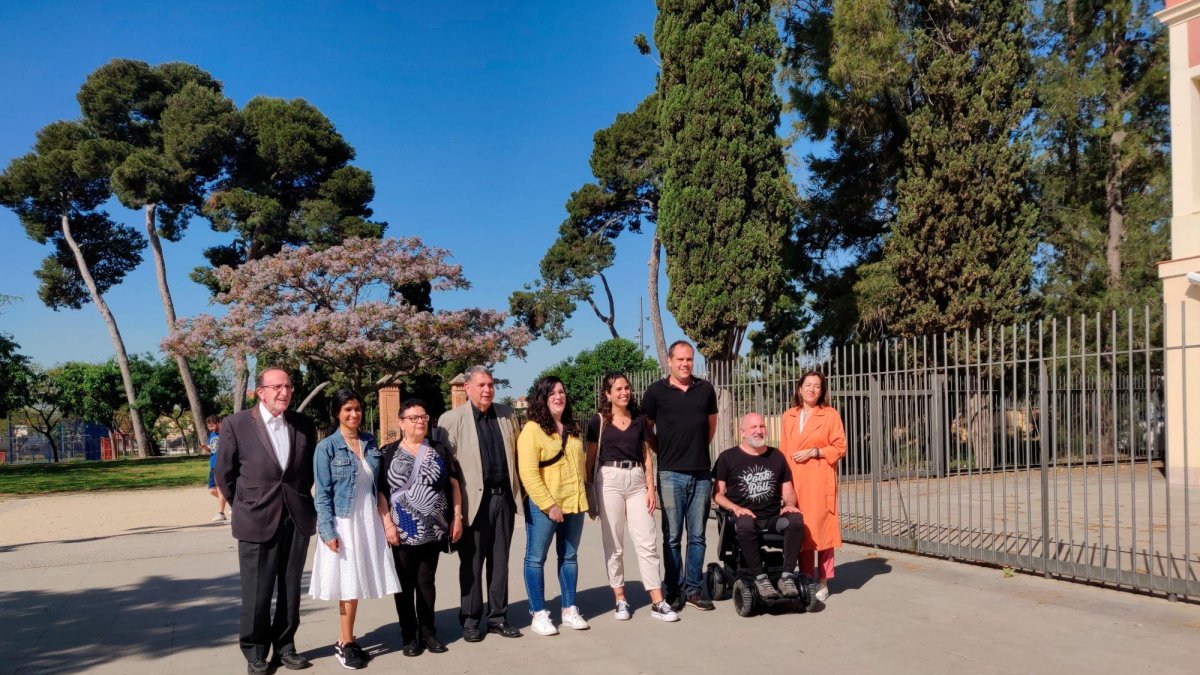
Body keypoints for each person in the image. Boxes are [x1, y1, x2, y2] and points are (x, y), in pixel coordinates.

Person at [215, 367, 318, 674]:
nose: (283, 392)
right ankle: (256, 651)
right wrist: (245, 504)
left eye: (287, 386)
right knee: (257, 591)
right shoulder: (235, 424)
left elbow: (307, 471)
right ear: (260, 392)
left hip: (296, 518)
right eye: (276, 387)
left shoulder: (303, 424)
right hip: (256, 520)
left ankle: (286, 646)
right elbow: (224, 474)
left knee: (290, 589)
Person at [310, 388, 401, 670]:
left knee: (356, 585)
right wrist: (327, 531)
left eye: (357, 409)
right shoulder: (326, 447)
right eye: (347, 409)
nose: (354, 414)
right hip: (344, 522)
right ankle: (345, 643)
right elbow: (322, 494)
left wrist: (386, 522)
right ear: (337, 413)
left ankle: (345, 638)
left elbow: (378, 488)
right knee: (347, 585)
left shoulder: (369, 442)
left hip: (367, 521)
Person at [434, 365, 523, 642]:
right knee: (471, 564)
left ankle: (498, 617)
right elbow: (444, 470)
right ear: (467, 388)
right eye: (481, 385)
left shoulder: (507, 415)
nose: (487, 390)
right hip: (472, 503)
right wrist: (452, 513)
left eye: (491, 384)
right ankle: (470, 619)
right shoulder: (451, 420)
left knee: (500, 563)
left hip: (503, 500)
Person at [585, 372, 678, 622]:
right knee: (614, 544)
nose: (624, 392)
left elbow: (646, 454)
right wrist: (589, 492)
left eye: (627, 388)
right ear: (607, 394)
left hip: (636, 479)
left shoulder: (639, 420)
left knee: (647, 541)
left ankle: (658, 601)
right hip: (609, 480)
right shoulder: (598, 422)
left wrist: (650, 487)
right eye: (618, 389)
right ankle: (620, 598)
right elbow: (590, 459)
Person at [378, 398, 463, 657]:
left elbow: (455, 485)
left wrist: (457, 517)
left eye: (423, 417)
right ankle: (408, 635)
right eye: (413, 418)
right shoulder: (388, 452)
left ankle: (428, 632)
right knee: (405, 584)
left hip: (433, 529)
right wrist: (388, 525)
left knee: (426, 582)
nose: (420, 422)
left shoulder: (438, 449)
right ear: (401, 423)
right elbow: (381, 492)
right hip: (401, 530)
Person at [641, 340, 718, 612]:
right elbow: (646, 428)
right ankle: (673, 590)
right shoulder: (655, 393)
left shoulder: (705, 389)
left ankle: (694, 588)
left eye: (689, 359)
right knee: (672, 536)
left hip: (700, 473)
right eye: (680, 359)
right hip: (670, 473)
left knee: (697, 535)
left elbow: (711, 427)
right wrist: (661, 449)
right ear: (669, 361)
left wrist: (695, 450)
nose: (685, 364)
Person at [517, 376, 590, 636]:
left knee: (569, 557)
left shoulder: (573, 427)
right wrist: (549, 505)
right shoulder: (532, 430)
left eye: (561, 392)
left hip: (574, 503)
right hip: (544, 505)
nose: (558, 397)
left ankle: (569, 609)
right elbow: (528, 473)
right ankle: (538, 613)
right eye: (552, 394)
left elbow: (580, 467)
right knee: (536, 558)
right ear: (543, 398)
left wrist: (585, 500)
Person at [712, 413, 806, 600]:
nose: (759, 431)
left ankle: (786, 576)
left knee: (796, 520)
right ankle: (759, 577)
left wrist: (788, 504)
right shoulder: (727, 457)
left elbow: (789, 491)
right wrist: (735, 508)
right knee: (745, 522)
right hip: (745, 519)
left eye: (762, 426)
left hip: (772, 518)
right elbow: (717, 495)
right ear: (743, 432)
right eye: (753, 427)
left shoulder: (777, 456)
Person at [782, 370, 847, 603]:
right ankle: (807, 576)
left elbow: (840, 447)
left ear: (822, 391)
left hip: (819, 479)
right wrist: (783, 482)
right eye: (807, 385)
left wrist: (816, 452)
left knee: (823, 531)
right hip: (796, 481)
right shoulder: (788, 416)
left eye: (816, 386)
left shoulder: (829, 415)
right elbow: (784, 450)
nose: (811, 389)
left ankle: (823, 580)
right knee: (802, 528)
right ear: (799, 388)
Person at [203, 415, 227, 522]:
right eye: (209, 427)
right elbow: (211, 449)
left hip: (221, 465)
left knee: (221, 489)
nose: (210, 428)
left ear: (218, 423)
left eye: (212, 426)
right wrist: (205, 448)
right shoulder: (212, 435)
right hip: (213, 465)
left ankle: (221, 513)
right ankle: (233, 501)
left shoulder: (225, 433)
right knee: (212, 490)